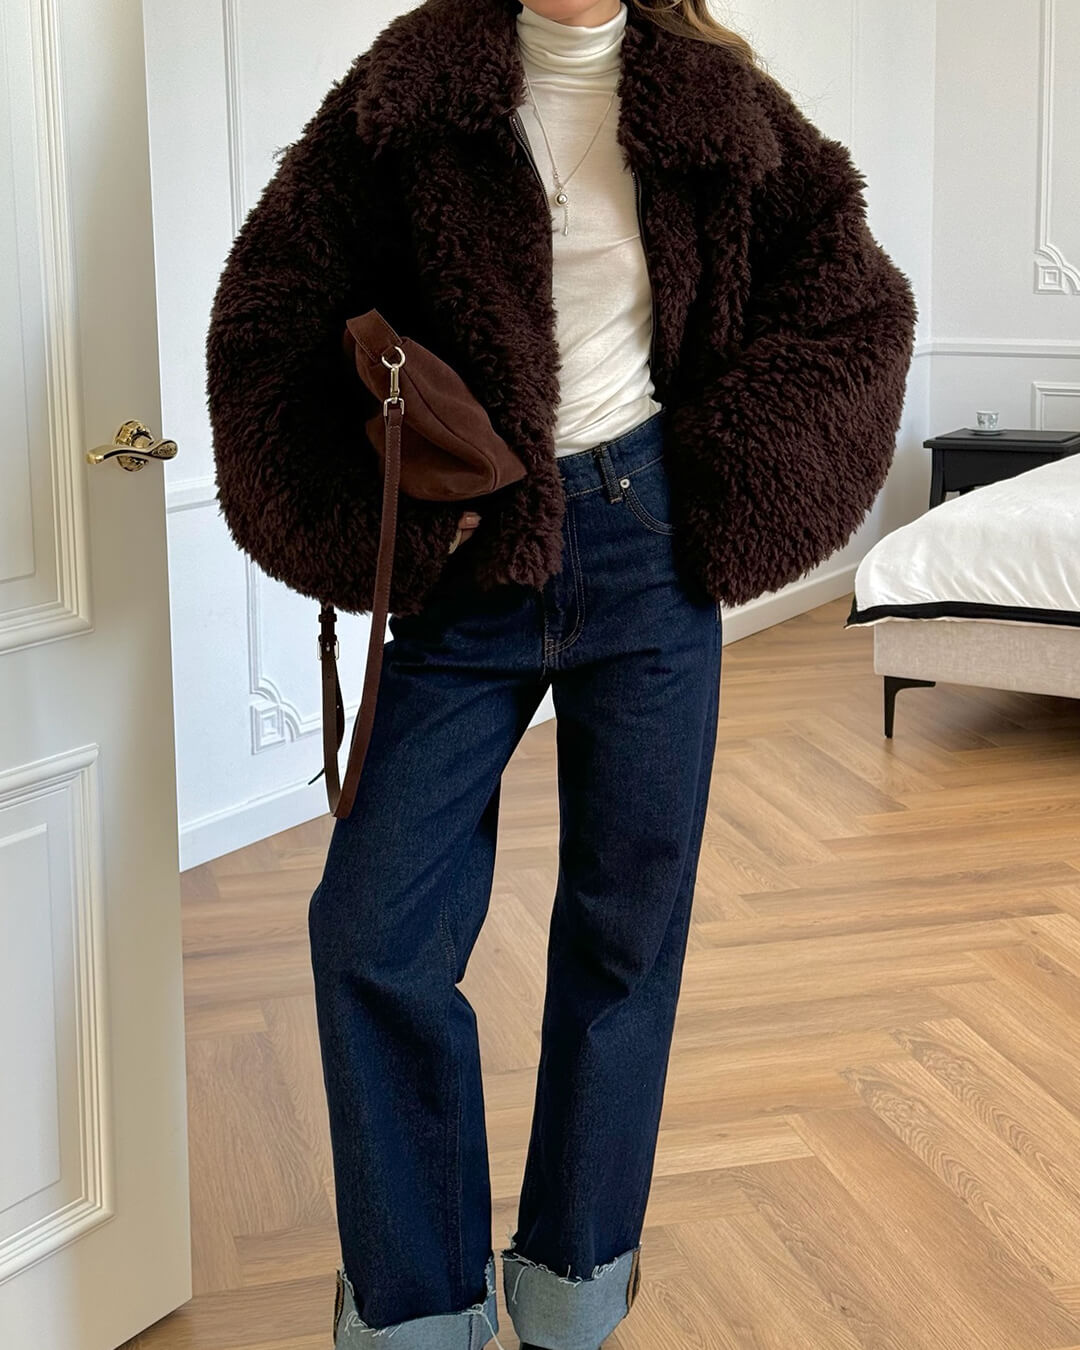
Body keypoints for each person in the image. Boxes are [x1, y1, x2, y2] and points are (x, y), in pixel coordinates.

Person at [204, 0, 918, 1345]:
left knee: (622, 932)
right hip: (474, 554)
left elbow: (854, 309)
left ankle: (573, 1289)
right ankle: (421, 1312)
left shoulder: (715, 99)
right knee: (368, 928)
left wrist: (728, 477)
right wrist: (374, 512)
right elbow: (268, 314)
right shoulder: (413, 85)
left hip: (649, 547)